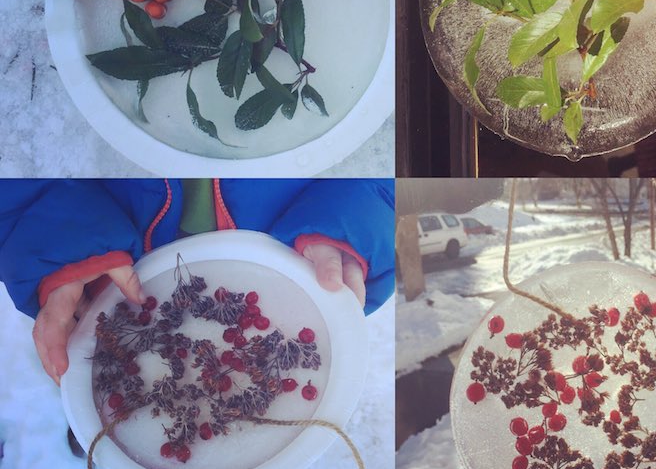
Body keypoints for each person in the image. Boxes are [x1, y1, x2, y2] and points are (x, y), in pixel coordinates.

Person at [0, 178, 394, 384]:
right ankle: (97, 418)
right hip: (115, 272)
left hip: (287, 264)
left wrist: (348, 221)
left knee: (256, 368)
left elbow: (380, 172)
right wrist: (58, 237)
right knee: (122, 364)